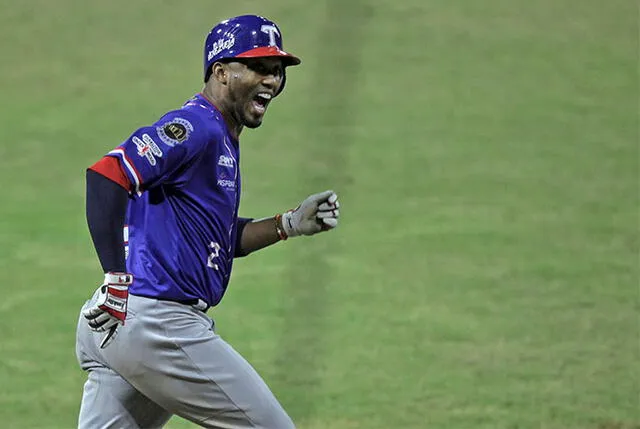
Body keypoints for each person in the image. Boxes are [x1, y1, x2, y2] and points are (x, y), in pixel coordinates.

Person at [75, 14, 340, 429]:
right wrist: (115, 278)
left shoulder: (221, 139)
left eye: (277, 71)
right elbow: (107, 175)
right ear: (220, 72)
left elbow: (218, 236)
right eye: (257, 67)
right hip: (155, 323)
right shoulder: (196, 127)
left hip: (121, 328)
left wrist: (287, 224)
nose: (271, 81)